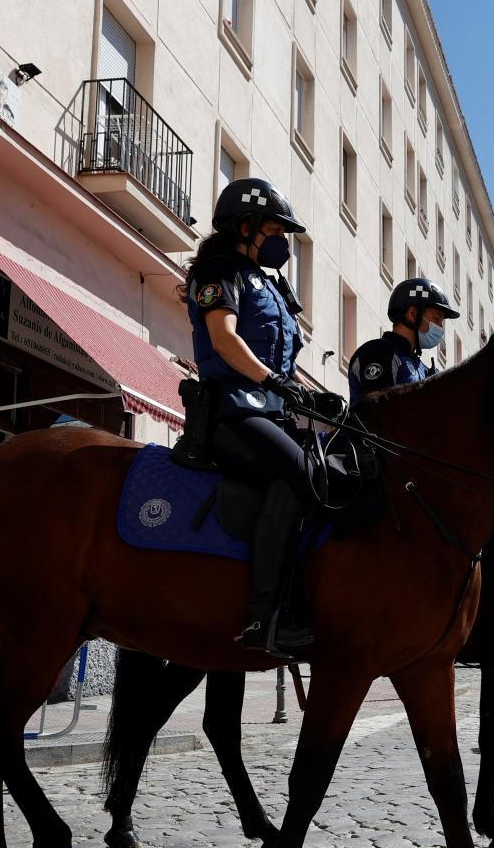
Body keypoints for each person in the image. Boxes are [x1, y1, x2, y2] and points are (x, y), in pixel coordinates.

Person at [184, 177, 329, 655]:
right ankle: (265, 614)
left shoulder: (271, 286)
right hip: (231, 413)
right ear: (245, 226)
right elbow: (224, 339)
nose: (283, 242)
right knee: (301, 474)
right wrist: (272, 382)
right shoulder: (218, 271)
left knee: (332, 470)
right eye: (275, 229)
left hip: (273, 413)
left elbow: (283, 363)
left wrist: (311, 397)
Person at [345, 277, 460, 405]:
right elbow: (380, 413)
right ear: (413, 314)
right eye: (437, 319)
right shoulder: (378, 353)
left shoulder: (421, 368)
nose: (440, 327)